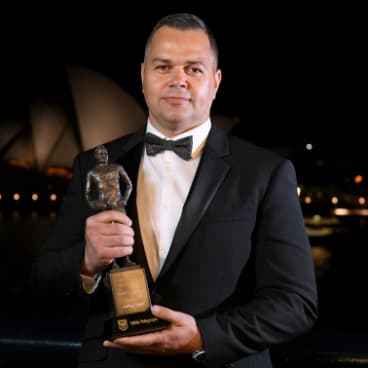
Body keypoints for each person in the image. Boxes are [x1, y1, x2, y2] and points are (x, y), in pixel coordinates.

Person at [31, 13, 318, 368]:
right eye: (163, 67)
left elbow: (296, 303)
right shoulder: (92, 164)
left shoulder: (267, 173)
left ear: (215, 82)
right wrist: (86, 261)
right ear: (143, 76)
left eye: (193, 69)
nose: (177, 80)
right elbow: (42, 280)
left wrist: (204, 337)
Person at [85, 144, 132, 212]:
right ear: (96, 156)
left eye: (105, 153)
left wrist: (125, 200)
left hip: (118, 205)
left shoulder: (117, 167)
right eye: (101, 154)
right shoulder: (92, 172)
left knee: (123, 222)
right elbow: (87, 193)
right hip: (104, 208)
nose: (104, 156)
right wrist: (92, 204)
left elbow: (129, 185)